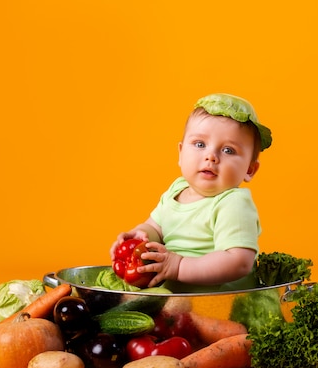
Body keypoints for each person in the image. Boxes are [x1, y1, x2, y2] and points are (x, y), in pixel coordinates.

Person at [109, 93, 273, 293]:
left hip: (219, 303)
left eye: (228, 150)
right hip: (173, 300)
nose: (210, 156)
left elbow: (238, 261)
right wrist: (140, 235)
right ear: (180, 153)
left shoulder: (233, 203)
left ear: (249, 169)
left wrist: (179, 267)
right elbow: (156, 228)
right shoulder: (175, 190)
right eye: (200, 144)